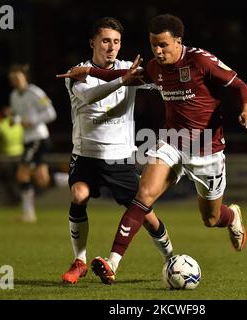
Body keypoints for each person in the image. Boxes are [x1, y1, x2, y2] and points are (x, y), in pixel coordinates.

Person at [57, 14, 247, 285]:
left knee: (211, 219)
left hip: (206, 148)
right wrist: (90, 71)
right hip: (173, 141)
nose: (158, 52)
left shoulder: (200, 61)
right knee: (144, 195)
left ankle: (232, 216)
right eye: (153, 45)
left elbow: (239, 85)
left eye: (163, 45)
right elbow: (123, 75)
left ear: (178, 41)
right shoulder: (155, 67)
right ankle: (112, 262)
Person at [60, 17, 174, 284]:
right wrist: (123, 80)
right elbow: (90, 96)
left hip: (120, 157)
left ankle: (171, 258)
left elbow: (159, 81)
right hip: (86, 155)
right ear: (92, 43)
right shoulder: (78, 72)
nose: (111, 47)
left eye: (116, 42)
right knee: (79, 194)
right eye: (105, 41)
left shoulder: (129, 69)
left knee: (147, 217)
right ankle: (79, 260)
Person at [8, 64, 57, 223]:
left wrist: (33, 121)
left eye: (18, 78)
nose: (15, 81)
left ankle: (29, 214)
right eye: (12, 79)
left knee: (22, 175)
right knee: (43, 180)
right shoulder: (13, 96)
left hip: (38, 138)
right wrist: (13, 120)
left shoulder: (35, 92)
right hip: (28, 140)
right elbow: (17, 117)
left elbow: (51, 113)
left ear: (25, 78)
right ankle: (77, 180)